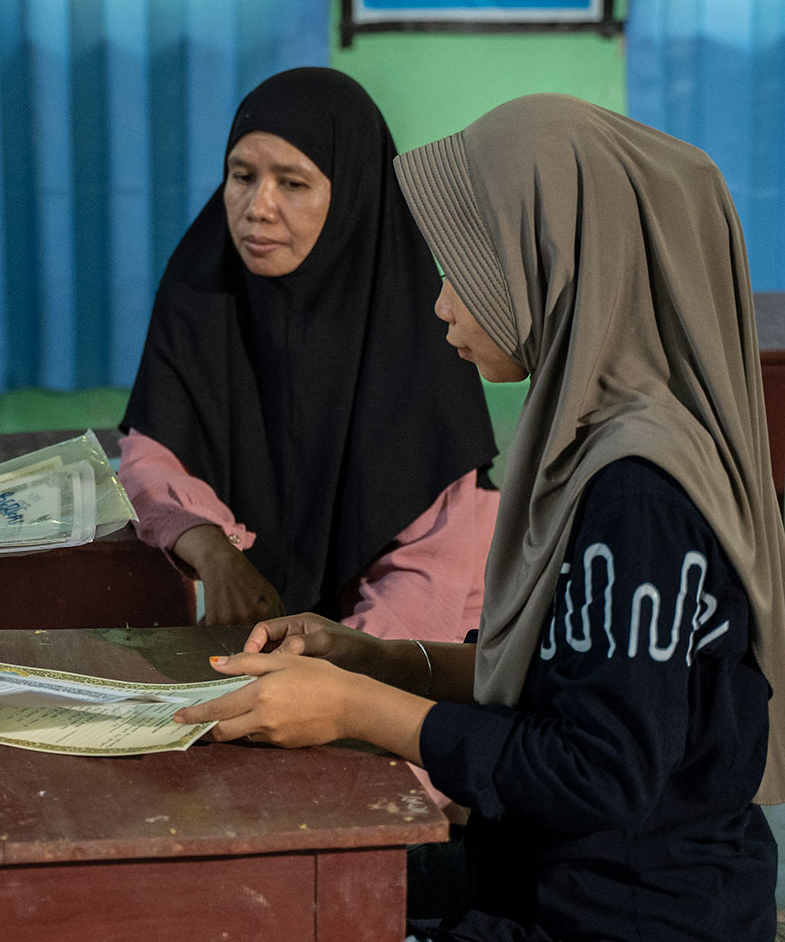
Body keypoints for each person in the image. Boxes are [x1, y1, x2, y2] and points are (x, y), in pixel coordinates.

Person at [176, 94, 785, 942]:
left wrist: (357, 708)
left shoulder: (639, 495)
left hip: (621, 916)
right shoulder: (602, 443)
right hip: (556, 876)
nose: (441, 304)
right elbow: (584, 678)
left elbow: (597, 772)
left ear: (554, 267)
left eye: (466, 271)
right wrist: (380, 659)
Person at [119, 68, 501, 643]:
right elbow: (150, 455)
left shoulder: (418, 322)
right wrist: (215, 551)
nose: (257, 207)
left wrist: (321, 666)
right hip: (245, 647)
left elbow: (431, 563)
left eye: (292, 184)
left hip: (393, 655)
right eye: (241, 176)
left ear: (350, 193)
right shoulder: (202, 286)